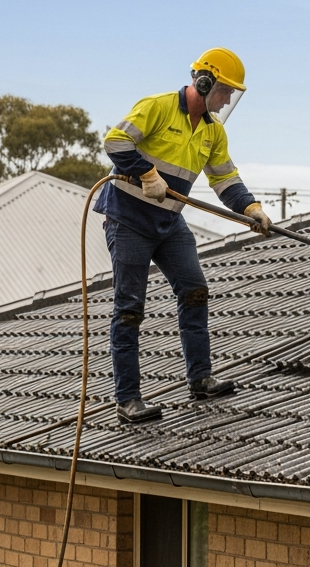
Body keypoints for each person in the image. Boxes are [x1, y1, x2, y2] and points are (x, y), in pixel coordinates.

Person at [95, 48, 272, 423]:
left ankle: (200, 378)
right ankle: (127, 400)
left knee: (195, 290)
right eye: (225, 91)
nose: (226, 101)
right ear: (204, 82)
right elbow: (114, 142)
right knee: (129, 310)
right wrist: (146, 173)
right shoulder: (157, 107)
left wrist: (251, 208)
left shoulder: (212, 130)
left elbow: (225, 178)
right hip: (128, 220)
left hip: (169, 223)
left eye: (231, 95)